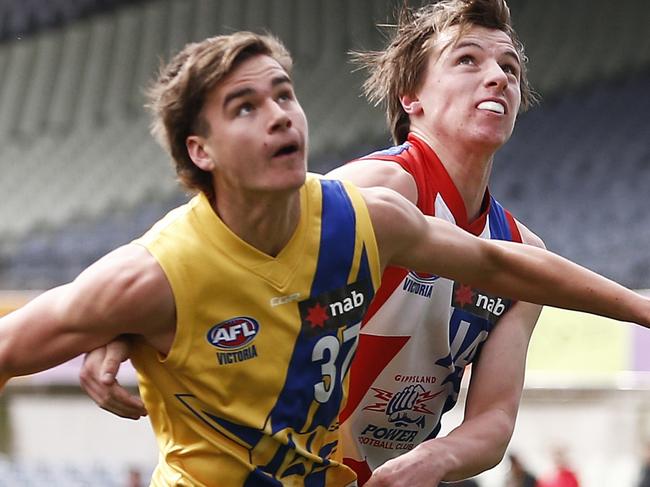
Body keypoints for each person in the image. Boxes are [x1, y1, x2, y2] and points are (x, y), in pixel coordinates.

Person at [77, 2, 650, 486]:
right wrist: (123, 324)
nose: (498, 76)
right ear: (411, 98)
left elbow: (495, 419)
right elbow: (223, 244)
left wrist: (435, 456)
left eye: (509, 66)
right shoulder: (379, 187)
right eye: (468, 61)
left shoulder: (523, 249)